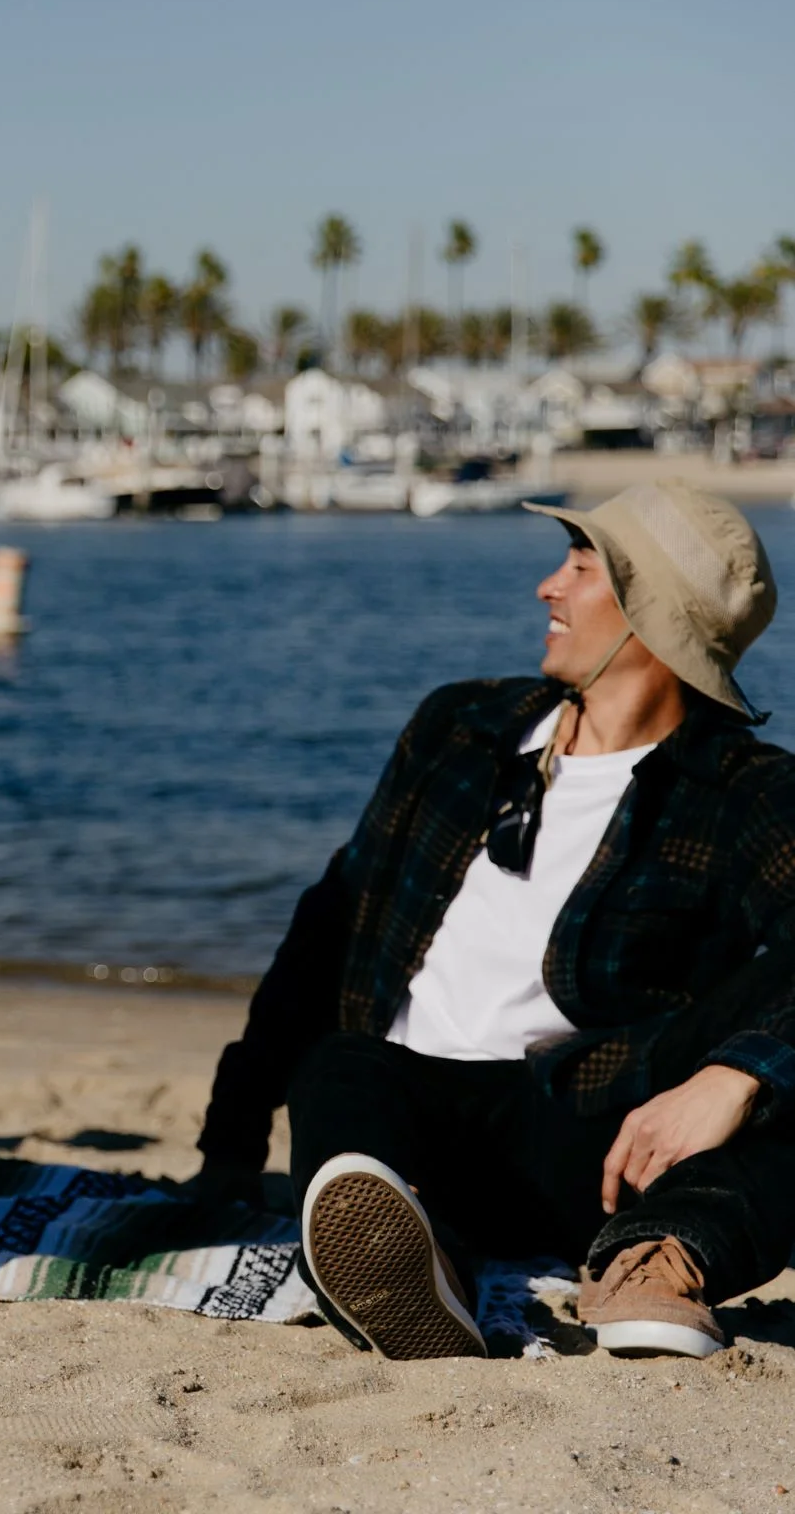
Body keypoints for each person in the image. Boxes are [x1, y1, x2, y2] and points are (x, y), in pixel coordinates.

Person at [192, 480, 795, 1359]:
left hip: (594, 1144)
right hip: (403, 1125)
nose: (546, 588)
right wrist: (231, 1142)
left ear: (649, 614)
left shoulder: (746, 793)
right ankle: (407, 1264)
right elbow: (328, 926)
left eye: (580, 568)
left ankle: (659, 1261)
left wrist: (731, 1080)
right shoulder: (460, 727)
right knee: (340, 1066)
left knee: (778, 1060)